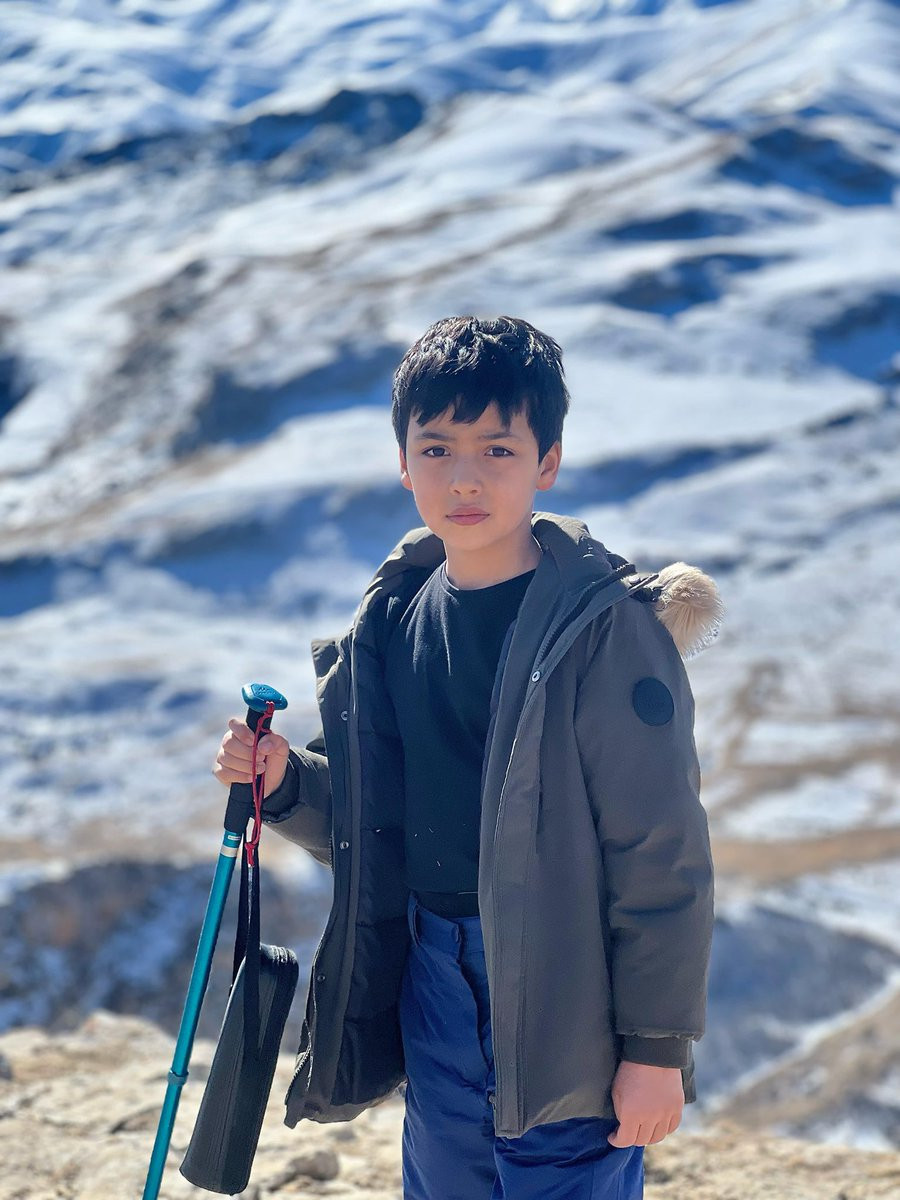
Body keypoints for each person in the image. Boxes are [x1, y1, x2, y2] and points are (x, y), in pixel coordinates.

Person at [212, 315, 722, 1200]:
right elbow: (377, 819)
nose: (465, 477)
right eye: (438, 449)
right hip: (432, 975)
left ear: (547, 463)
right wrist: (285, 782)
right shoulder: (396, 618)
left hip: (566, 996)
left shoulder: (602, 633)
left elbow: (660, 852)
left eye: (498, 449)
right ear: (403, 464)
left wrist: (655, 1049)